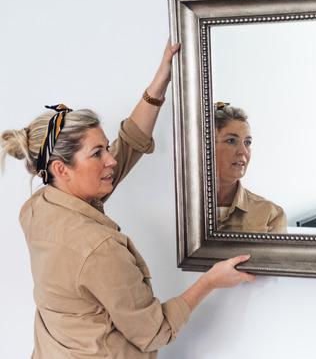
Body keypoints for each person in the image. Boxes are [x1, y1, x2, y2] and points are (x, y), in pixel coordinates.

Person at [0, 41, 256, 358]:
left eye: (106, 147)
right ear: (61, 168)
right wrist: (210, 281)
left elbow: (128, 145)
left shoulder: (38, 207)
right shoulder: (98, 248)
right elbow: (154, 332)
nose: (110, 160)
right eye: (98, 153)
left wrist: (158, 83)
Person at [213, 102, 286, 233]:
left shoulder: (270, 215)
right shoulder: (179, 209)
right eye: (231, 141)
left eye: (247, 142)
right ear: (206, 146)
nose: (243, 151)